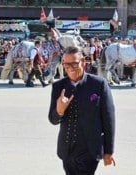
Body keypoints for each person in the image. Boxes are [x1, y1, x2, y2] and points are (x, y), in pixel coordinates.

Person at [48, 46, 116, 175]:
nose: (70, 68)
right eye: (66, 65)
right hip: (66, 150)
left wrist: (109, 151)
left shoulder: (98, 84)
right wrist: (59, 111)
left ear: (83, 62)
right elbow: (53, 119)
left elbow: (109, 120)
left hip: (89, 149)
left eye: (74, 63)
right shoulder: (59, 86)